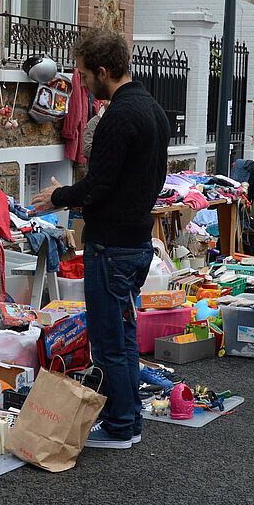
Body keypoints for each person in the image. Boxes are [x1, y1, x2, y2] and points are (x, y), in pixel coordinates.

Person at [31, 29, 169, 449]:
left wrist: (58, 196)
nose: (84, 84)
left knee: (109, 341)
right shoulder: (153, 109)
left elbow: (98, 186)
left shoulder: (118, 118)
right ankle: (130, 420)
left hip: (111, 246)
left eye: (86, 76)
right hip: (136, 240)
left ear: (104, 71)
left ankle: (120, 425)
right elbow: (148, 179)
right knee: (123, 337)